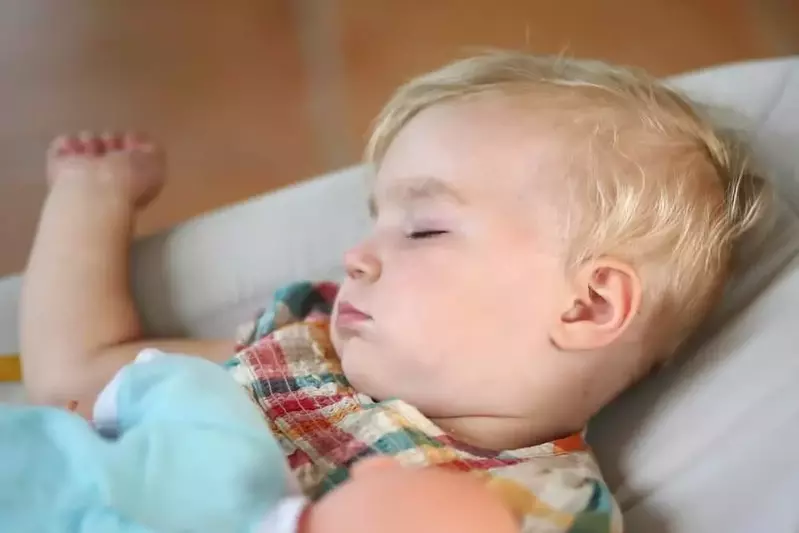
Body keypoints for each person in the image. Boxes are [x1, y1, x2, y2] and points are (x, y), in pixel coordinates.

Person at [19, 51, 769, 532]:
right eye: (375, 219)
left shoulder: (541, 505)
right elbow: (75, 372)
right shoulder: (302, 344)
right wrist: (90, 199)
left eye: (422, 230)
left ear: (586, 306)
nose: (355, 256)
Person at [1, 349, 518, 533]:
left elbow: (174, 382)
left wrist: (106, 413)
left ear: (375, 471)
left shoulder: (239, 470)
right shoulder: (304, 338)